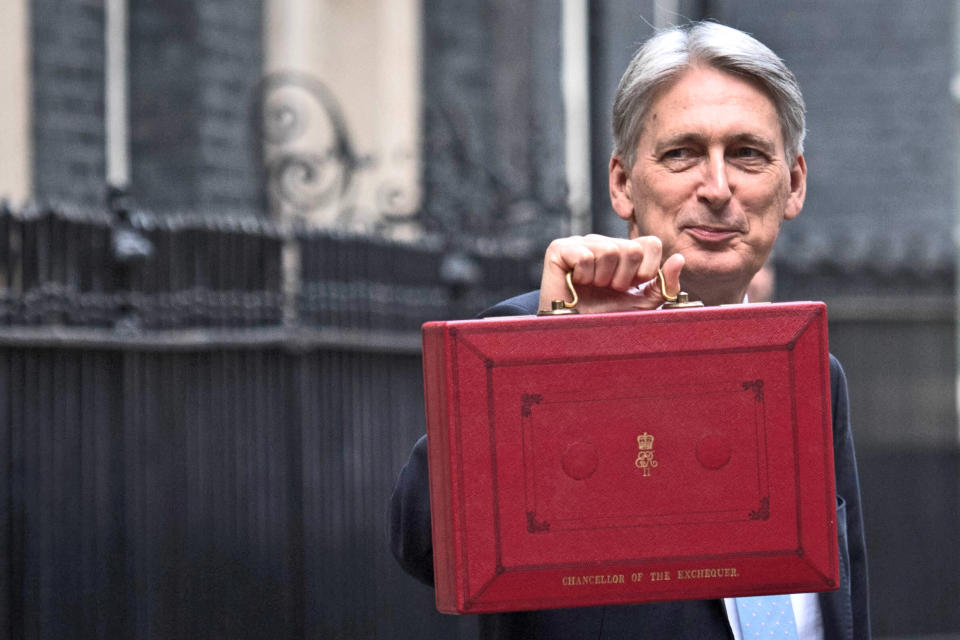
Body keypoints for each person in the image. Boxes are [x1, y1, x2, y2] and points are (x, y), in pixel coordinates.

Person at [390, 21, 869, 639]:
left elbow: (842, 600)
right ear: (622, 183)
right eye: (682, 153)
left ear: (794, 183)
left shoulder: (815, 373)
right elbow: (424, 543)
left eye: (747, 154)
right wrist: (561, 355)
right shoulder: (522, 344)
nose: (718, 188)